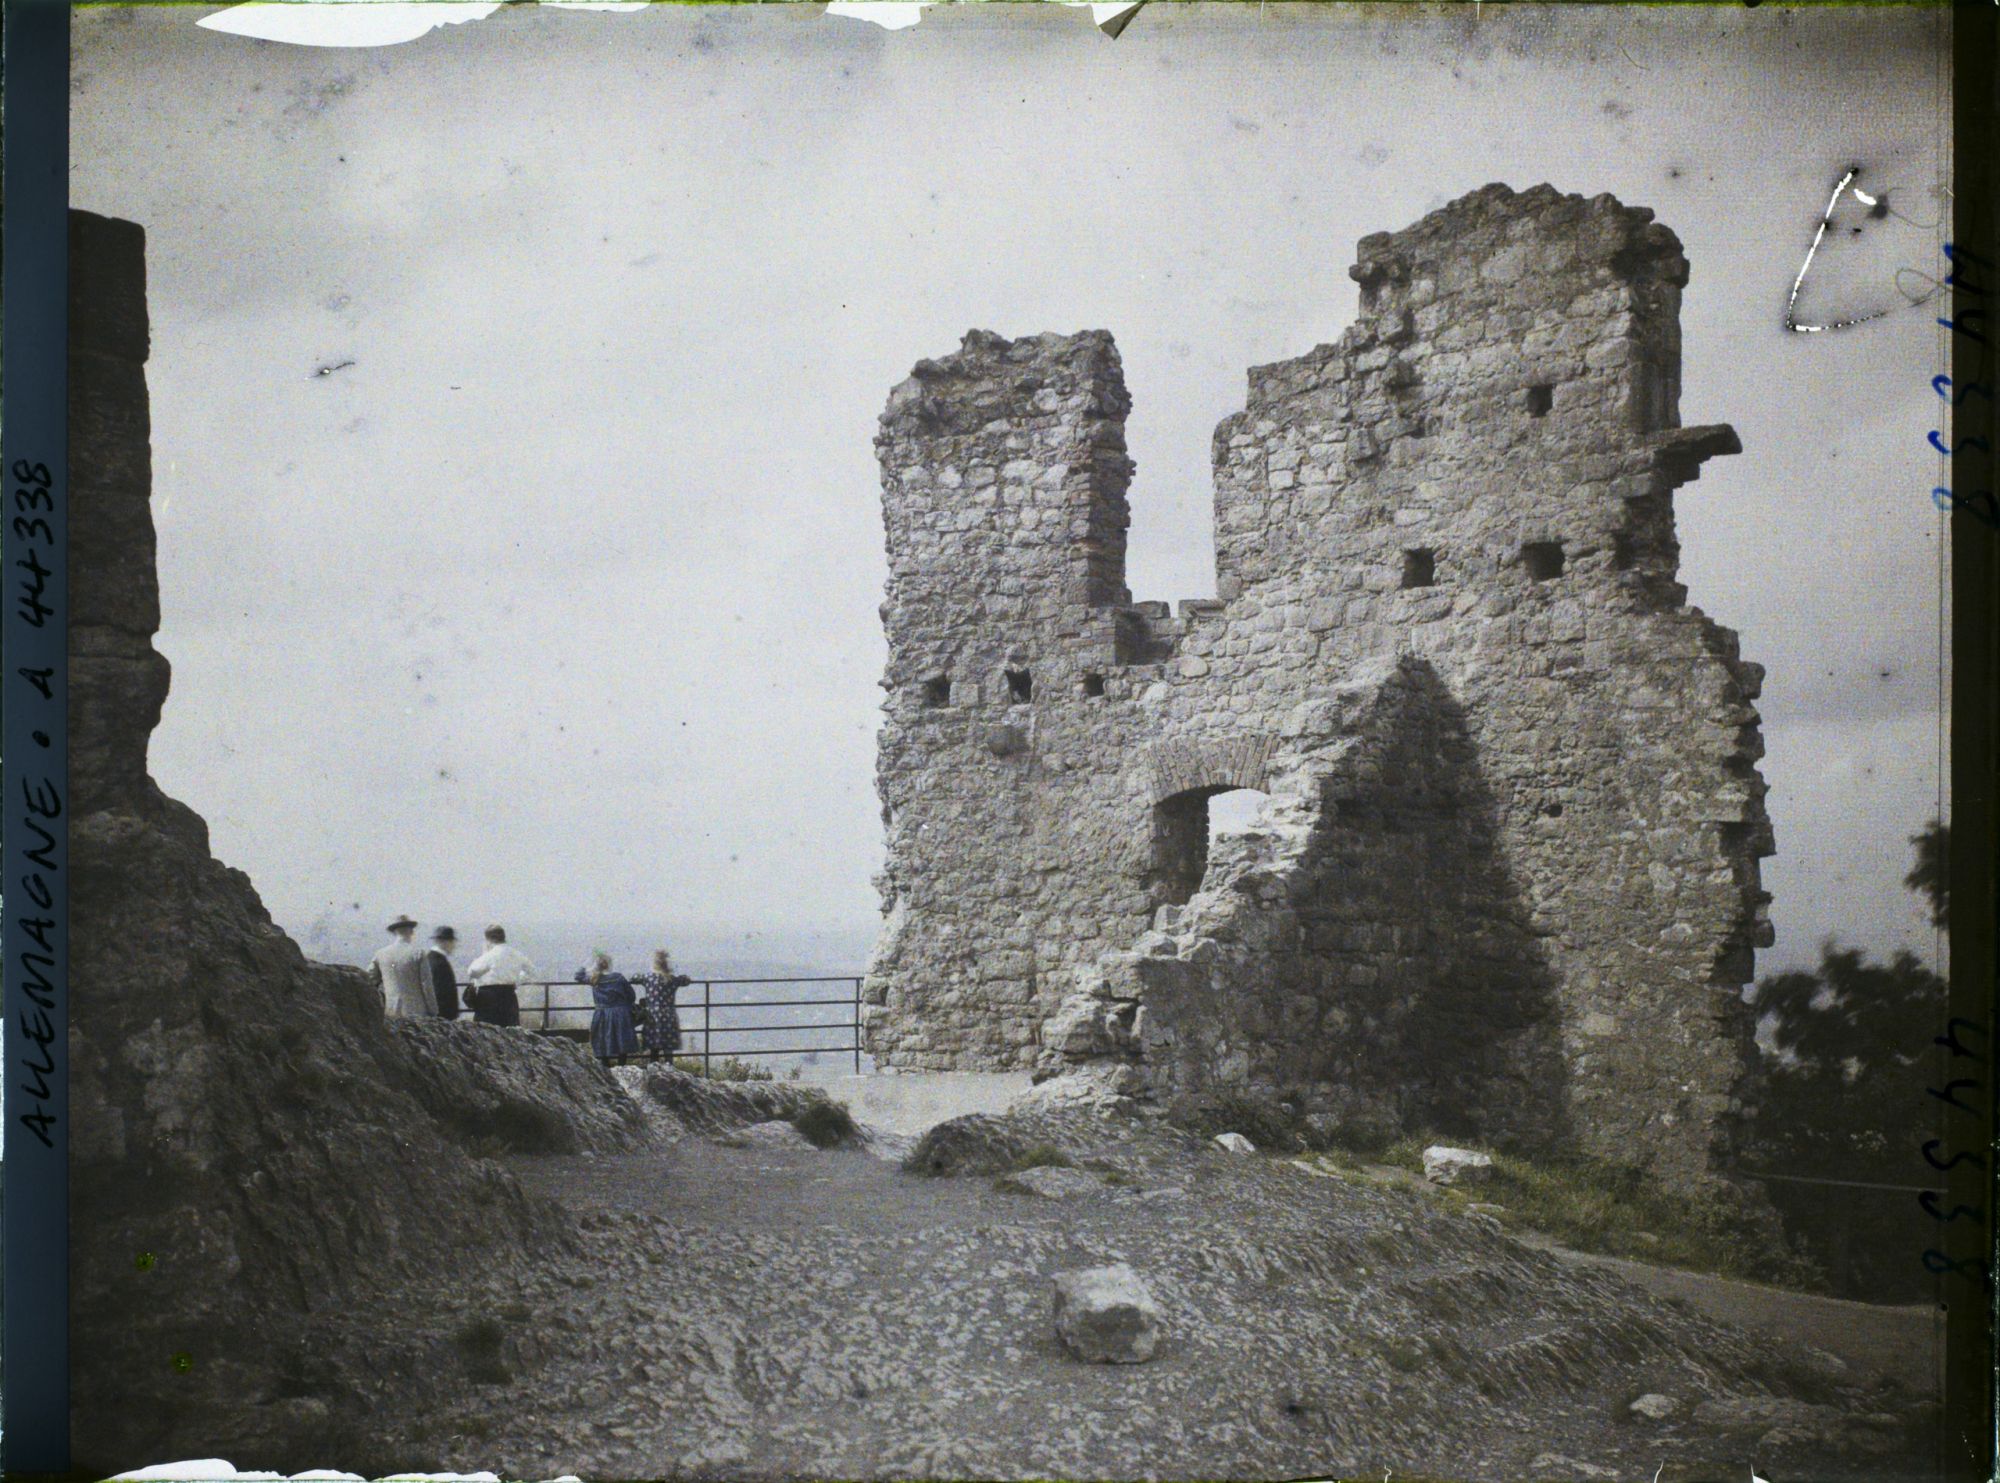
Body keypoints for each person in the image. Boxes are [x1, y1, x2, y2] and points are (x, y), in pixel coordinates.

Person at [464, 924, 533, 1028]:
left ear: (488, 939)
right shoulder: (516, 954)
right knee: (510, 1032)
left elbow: (472, 972)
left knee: (487, 1032)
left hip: (487, 999)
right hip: (509, 996)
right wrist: (517, 982)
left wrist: (484, 953)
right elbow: (531, 971)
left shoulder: (489, 955)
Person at [577, 951, 637, 1066]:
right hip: (621, 1014)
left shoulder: (594, 978)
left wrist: (589, 961)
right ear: (609, 964)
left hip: (602, 1014)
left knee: (601, 1041)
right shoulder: (618, 977)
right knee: (621, 1041)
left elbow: (578, 975)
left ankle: (605, 1068)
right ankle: (621, 1068)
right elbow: (632, 996)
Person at [367, 915, 432, 1020]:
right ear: (411, 932)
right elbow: (426, 985)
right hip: (417, 1012)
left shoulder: (380, 954)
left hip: (390, 1012)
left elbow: (370, 979)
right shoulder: (418, 953)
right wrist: (433, 1010)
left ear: (394, 932)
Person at [632, 948, 691, 1061]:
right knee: (668, 1049)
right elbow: (686, 980)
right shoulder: (672, 979)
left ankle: (654, 1071)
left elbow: (634, 978)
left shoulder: (648, 978)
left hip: (652, 1016)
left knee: (654, 1049)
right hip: (669, 1016)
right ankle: (670, 1070)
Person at [425, 925, 462, 1019]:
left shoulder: (430, 958)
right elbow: (442, 992)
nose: (454, 946)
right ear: (445, 942)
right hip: (443, 1015)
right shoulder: (440, 962)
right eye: (452, 942)